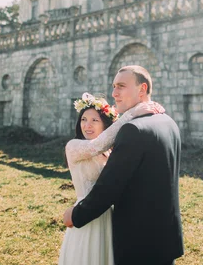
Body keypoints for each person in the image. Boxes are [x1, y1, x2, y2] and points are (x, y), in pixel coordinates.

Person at [63, 65, 184, 265]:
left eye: (121, 86)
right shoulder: (168, 122)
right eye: (113, 86)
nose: (114, 93)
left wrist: (76, 215)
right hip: (165, 237)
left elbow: (109, 186)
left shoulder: (132, 130)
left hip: (138, 240)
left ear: (142, 89)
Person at [58, 92, 164, 265]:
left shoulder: (110, 152)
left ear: (105, 125)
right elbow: (98, 144)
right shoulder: (74, 147)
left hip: (108, 215)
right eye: (84, 119)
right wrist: (131, 114)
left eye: (94, 120)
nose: (87, 125)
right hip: (85, 214)